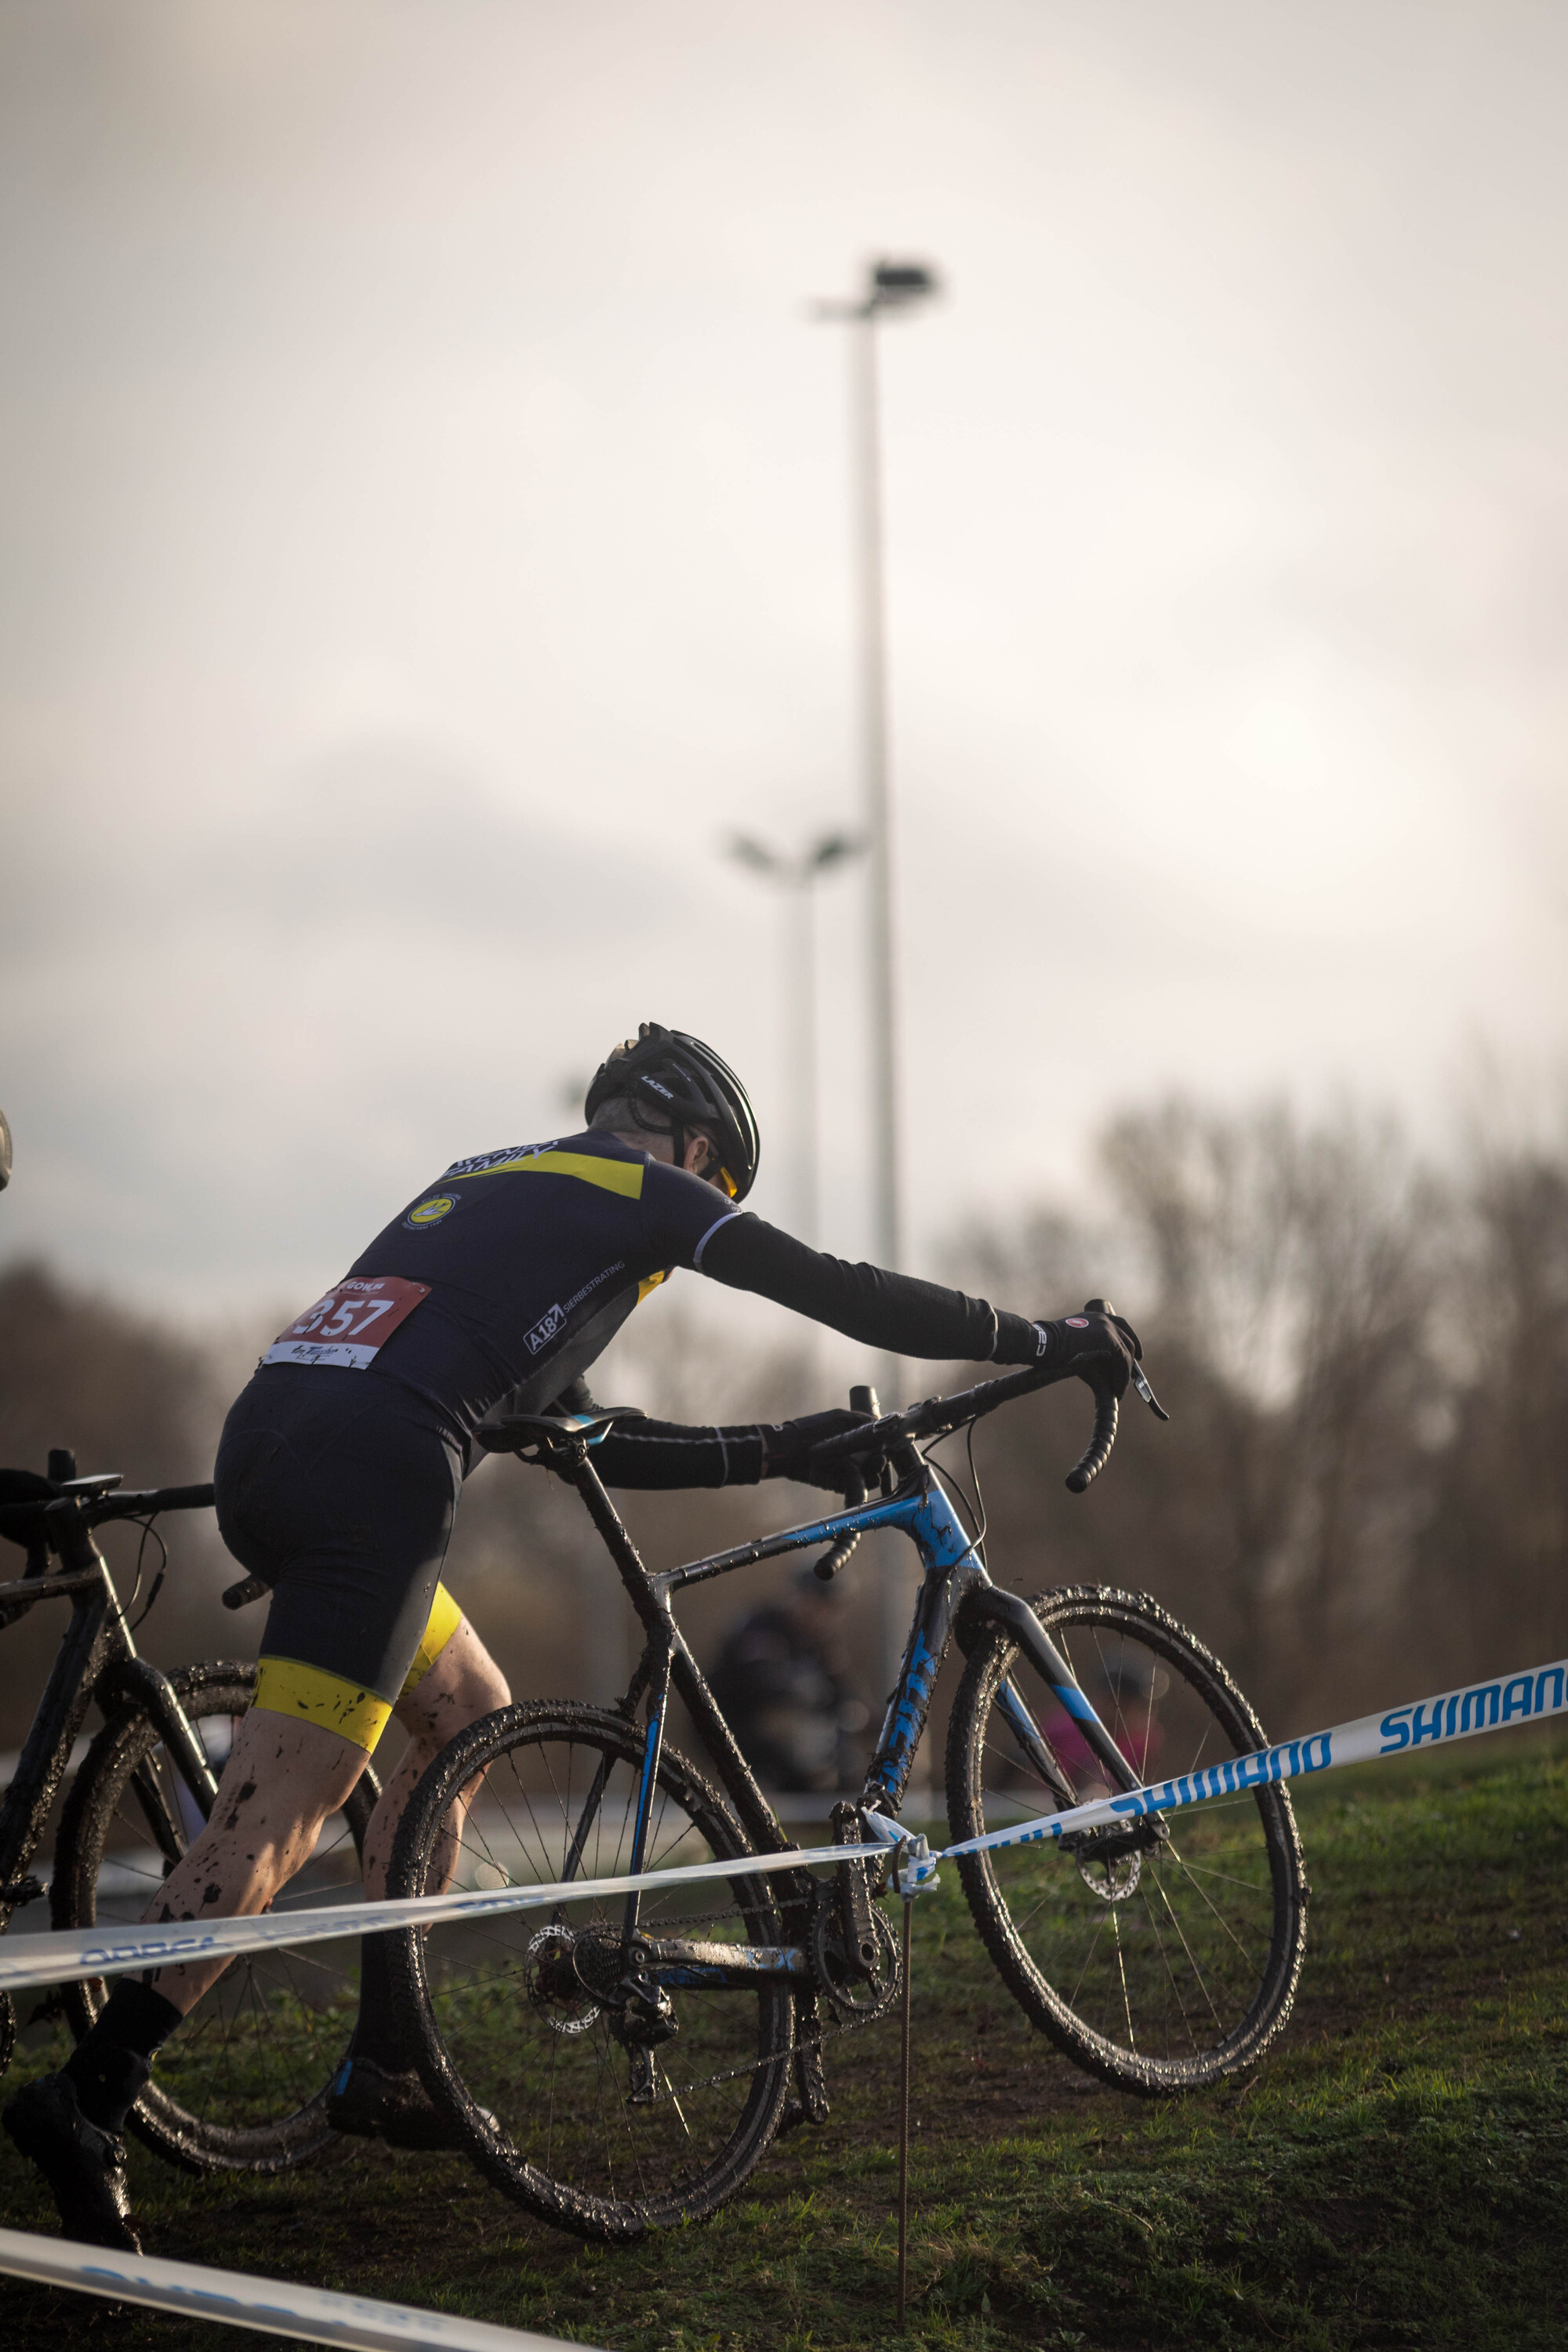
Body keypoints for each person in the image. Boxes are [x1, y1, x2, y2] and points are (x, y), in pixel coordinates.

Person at [3, 1022, 1139, 2249]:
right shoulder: (648, 1190)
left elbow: (592, 1438)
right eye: (716, 1190)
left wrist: (787, 1447)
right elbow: (838, 1288)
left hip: (273, 1439)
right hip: (379, 1474)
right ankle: (90, 2097)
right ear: (698, 1152)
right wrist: (1044, 1341)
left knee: (470, 1711)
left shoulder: (490, 1182)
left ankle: (387, 2060)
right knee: (274, 1818)